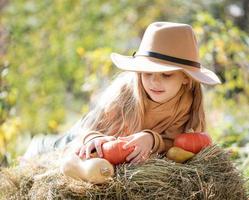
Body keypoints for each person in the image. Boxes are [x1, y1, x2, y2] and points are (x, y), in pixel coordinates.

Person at [23, 21, 221, 165]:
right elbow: (89, 128)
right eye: (147, 73)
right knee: (48, 149)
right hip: (83, 135)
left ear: (186, 78)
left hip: (123, 147)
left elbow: (180, 145)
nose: (154, 81)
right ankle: (38, 144)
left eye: (166, 75)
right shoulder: (125, 93)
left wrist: (152, 139)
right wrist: (93, 139)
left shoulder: (188, 105)